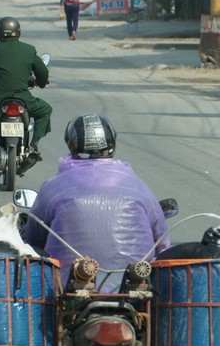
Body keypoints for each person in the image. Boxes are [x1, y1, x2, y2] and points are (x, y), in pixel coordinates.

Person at [21, 114, 170, 292]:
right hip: (134, 290)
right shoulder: (137, 184)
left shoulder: (53, 186)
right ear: (112, 143)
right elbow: (162, 242)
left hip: (67, 291)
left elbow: (32, 239)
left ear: (71, 144)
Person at [0, 16, 52, 167]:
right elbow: (43, 73)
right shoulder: (29, 50)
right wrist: (40, 83)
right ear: (18, 33)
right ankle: (34, 144)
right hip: (23, 99)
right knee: (45, 110)